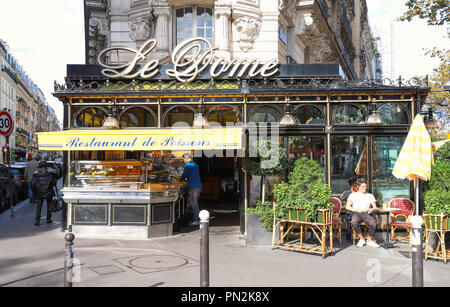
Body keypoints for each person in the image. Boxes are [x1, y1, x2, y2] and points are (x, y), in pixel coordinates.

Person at [346, 178, 380, 248]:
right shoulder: (353, 195)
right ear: (358, 187)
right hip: (356, 212)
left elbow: (375, 207)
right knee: (354, 222)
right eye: (363, 186)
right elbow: (347, 207)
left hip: (366, 213)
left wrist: (370, 209)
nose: (365, 188)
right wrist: (357, 210)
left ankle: (369, 240)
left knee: (373, 223)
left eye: (365, 186)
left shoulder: (370, 195)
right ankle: (362, 239)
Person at [31, 160, 57, 226]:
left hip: (39, 192)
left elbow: (33, 184)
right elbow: (54, 182)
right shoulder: (50, 173)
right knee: (49, 206)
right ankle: (48, 219)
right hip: (48, 191)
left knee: (39, 206)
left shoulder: (35, 174)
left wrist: (34, 191)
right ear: (46, 166)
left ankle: (37, 221)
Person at [181, 153, 202, 226]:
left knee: (194, 203)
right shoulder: (195, 164)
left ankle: (196, 220)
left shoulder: (188, 165)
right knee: (195, 203)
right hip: (198, 186)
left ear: (187, 158)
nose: (183, 160)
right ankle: (195, 218)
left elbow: (184, 175)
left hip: (194, 187)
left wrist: (181, 178)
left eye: (184, 158)